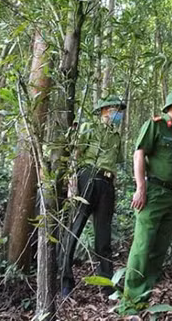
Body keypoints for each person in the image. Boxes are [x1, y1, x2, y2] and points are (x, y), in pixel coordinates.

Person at [123, 88, 172, 303]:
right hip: (153, 193)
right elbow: (139, 153)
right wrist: (140, 187)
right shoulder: (155, 125)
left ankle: (146, 291)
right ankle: (131, 301)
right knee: (143, 245)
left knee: (160, 246)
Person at [60, 95, 126, 297]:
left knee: (103, 236)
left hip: (107, 183)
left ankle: (107, 285)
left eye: (120, 110)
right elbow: (76, 154)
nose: (118, 114)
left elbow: (117, 161)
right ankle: (64, 280)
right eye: (115, 109)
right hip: (88, 176)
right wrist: (72, 182)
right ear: (105, 110)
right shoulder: (89, 127)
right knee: (75, 228)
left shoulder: (116, 136)